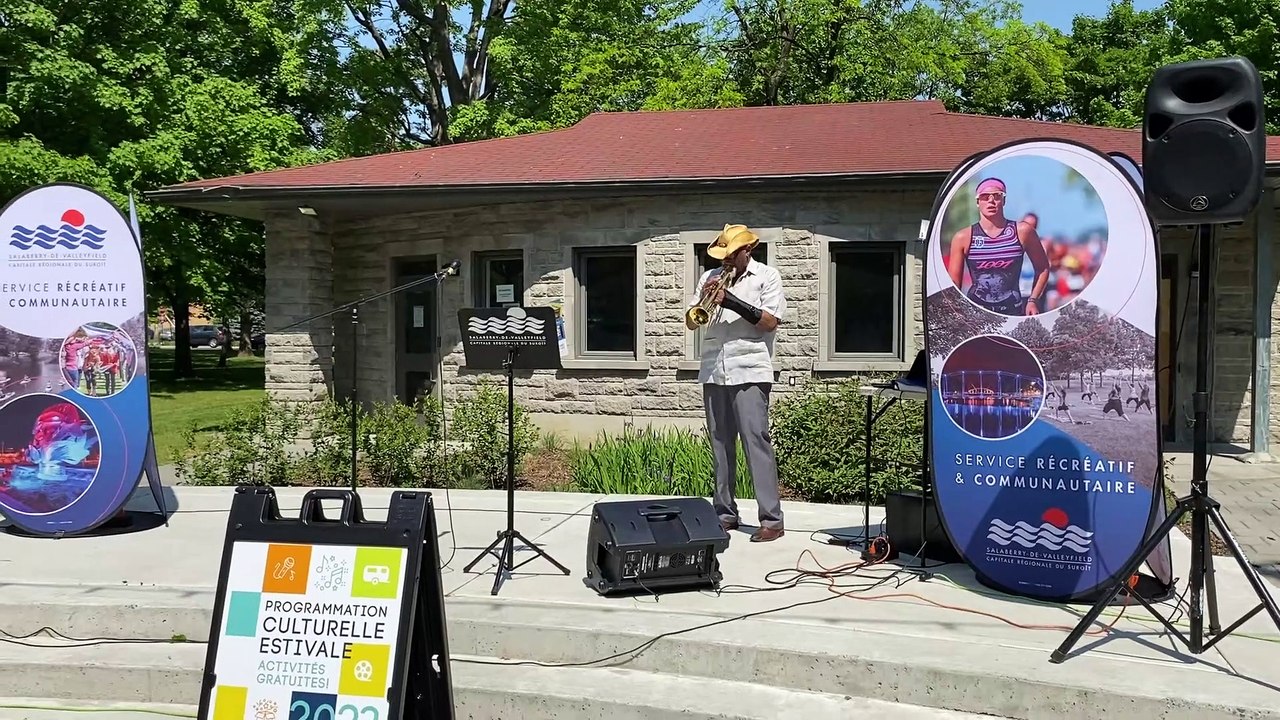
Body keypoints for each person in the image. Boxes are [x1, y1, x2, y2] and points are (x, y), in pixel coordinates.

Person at [686, 223, 787, 542]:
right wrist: (702, 302)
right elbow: (692, 320)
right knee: (720, 442)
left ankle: (772, 519)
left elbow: (770, 322)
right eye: (723, 255)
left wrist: (731, 301)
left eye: (732, 255)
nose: (726, 261)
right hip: (714, 367)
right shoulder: (709, 277)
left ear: (748, 250)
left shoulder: (767, 277)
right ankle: (724, 512)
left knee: (756, 440)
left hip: (751, 367)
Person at [948, 178, 1050, 316]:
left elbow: (1042, 268)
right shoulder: (963, 238)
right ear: (977, 202)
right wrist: (956, 312)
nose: (991, 201)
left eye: (997, 196)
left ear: (1004, 200)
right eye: (985, 197)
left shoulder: (1022, 231)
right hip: (977, 314)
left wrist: (1033, 300)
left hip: (1013, 311)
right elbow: (953, 285)